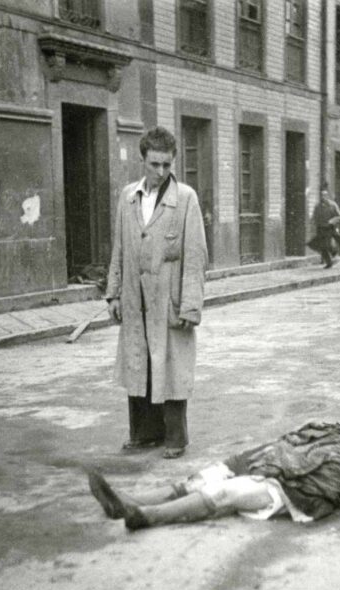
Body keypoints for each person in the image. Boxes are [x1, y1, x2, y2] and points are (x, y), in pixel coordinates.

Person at [88, 421, 340, 530]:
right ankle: (128, 501)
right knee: (202, 477)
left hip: (291, 489)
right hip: (270, 461)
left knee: (226, 493)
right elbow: (293, 437)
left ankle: (144, 517)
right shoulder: (339, 431)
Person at [106, 126, 208, 458]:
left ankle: (175, 438)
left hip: (169, 297)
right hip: (136, 297)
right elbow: (119, 247)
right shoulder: (127, 197)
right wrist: (114, 293)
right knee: (139, 362)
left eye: (167, 165)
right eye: (155, 165)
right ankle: (143, 434)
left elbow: (195, 256)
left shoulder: (186, 199)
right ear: (143, 160)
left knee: (172, 365)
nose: (161, 172)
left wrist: (190, 307)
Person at [308, 185, 340, 268]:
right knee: (322, 246)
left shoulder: (333, 205)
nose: (323, 197)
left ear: (327, 196)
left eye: (324, 195)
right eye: (321, 195)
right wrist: (313, 223)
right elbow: (314, 216)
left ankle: (334, 251)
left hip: (329, 228)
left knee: (326, 245)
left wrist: (331, 221)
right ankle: (329, 262)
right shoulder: (318, 206)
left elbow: (339, 216)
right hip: (320, 228)